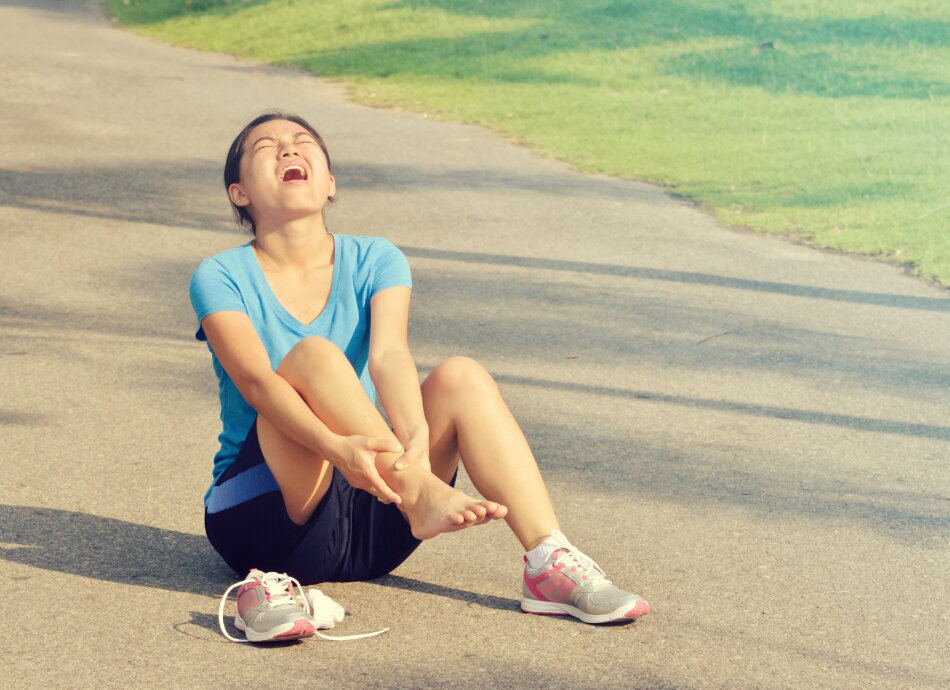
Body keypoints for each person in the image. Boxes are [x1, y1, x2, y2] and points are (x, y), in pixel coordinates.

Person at [190, 111, 650, 642]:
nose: (288, 149)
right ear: (239, 193)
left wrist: (414, 440)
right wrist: (344, 451)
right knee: (313, 356)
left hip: (374, 521)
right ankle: (416, 493)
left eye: (302, 142)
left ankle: (549, 561)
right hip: (266, 519)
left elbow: (390, 355)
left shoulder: (375, 258)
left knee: (461, 376)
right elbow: (256, 383)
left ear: (330, 181)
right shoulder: (219, 275)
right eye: (266, 146)